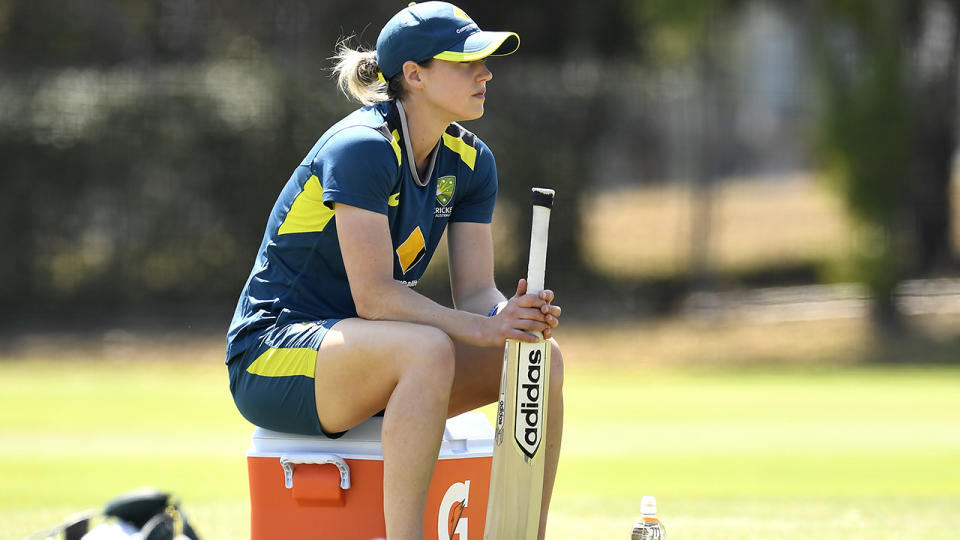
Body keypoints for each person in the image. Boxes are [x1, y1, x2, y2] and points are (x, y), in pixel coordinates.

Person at [225, 2, 564, 539]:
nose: (486, 73)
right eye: (466, 61)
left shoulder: (473, 162)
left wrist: (511, 317)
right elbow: (375, 299)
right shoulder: (361, 147)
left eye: (485, 61)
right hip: (270, 354)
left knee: (539, 360)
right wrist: (481, 328)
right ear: (414, 74)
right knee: (424, 349)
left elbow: (477, 293)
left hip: (372, 357)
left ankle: (526, 535)